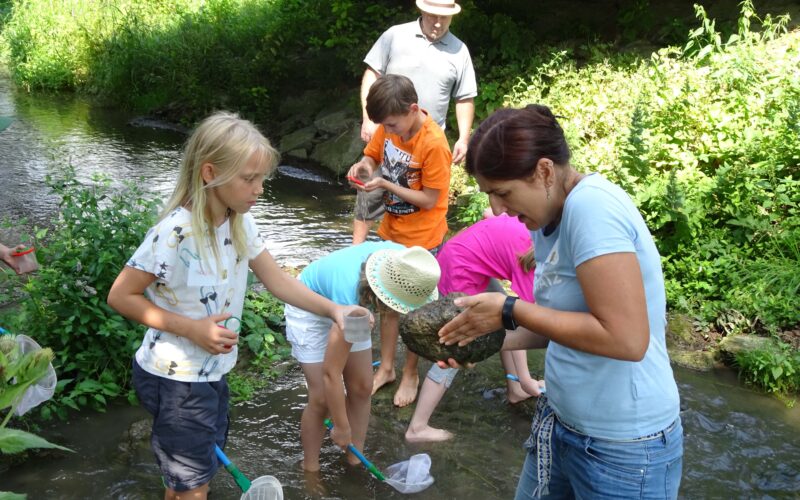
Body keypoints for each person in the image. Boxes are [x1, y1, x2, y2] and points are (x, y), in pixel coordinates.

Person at [107, 112, 369, 500]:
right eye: (249, 178)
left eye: (262, 178)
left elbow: (277, 280)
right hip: (176, 380)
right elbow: (120, 296)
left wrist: (334, 310)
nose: (259, 189)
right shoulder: (175, 233)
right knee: (194, 488)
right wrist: (192, 329)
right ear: (210, 172)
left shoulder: (239, 222)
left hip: (212, 374)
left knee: (188, 480)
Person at [438, 105, 683, 499]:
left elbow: (626, 339)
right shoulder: (547, 217)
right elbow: (565, 326)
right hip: (561, 423)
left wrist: (509, 309)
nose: (498, 210)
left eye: (503, 193)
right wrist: (482, 338)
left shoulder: (593, 210)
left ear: (545, 171)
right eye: (490, 196)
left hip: (622, 448)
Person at [285, 243, 440, 471]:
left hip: (354, 308)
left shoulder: (412, 266)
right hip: (309, 306)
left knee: (361, 386)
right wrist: (341, 426)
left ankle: (354, 461)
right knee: (321, 399)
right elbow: (331, 373)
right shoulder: (351, 295)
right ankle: (310, 469)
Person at [346, 74, 451, 407]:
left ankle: (411, 372)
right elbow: (373, 156)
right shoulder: (389, 126)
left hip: (424, 240)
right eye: (384, 126)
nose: (388, 131)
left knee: (416, 312)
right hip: (391, 233)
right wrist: (364, 167)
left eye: (392, 125)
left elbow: (430, 200)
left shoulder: (433, 144)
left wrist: (386, 186)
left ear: (413, 109)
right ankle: (388, 367)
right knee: (389, 305)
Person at [406, 214, 545, 443]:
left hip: (467, 256)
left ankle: (517, 388)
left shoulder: (536, 227)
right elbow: (526, 321)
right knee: (458, 343)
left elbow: (490, 216)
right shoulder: (535, 259)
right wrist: (529, 380)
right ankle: (417, 428)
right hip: (461, 267)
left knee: (505, 314)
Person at [353, 0, 476, 245]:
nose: (438, 23)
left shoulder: (459, 50)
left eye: (444, 18)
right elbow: (372, 74)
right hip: (389, 129)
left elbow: (465, 97)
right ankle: (354, 252)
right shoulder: (395, 35)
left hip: (424, 140)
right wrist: (371, 120)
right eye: (432, 16)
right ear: (421, 11)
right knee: (370, 194)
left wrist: (463, 137)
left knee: (416, 204)